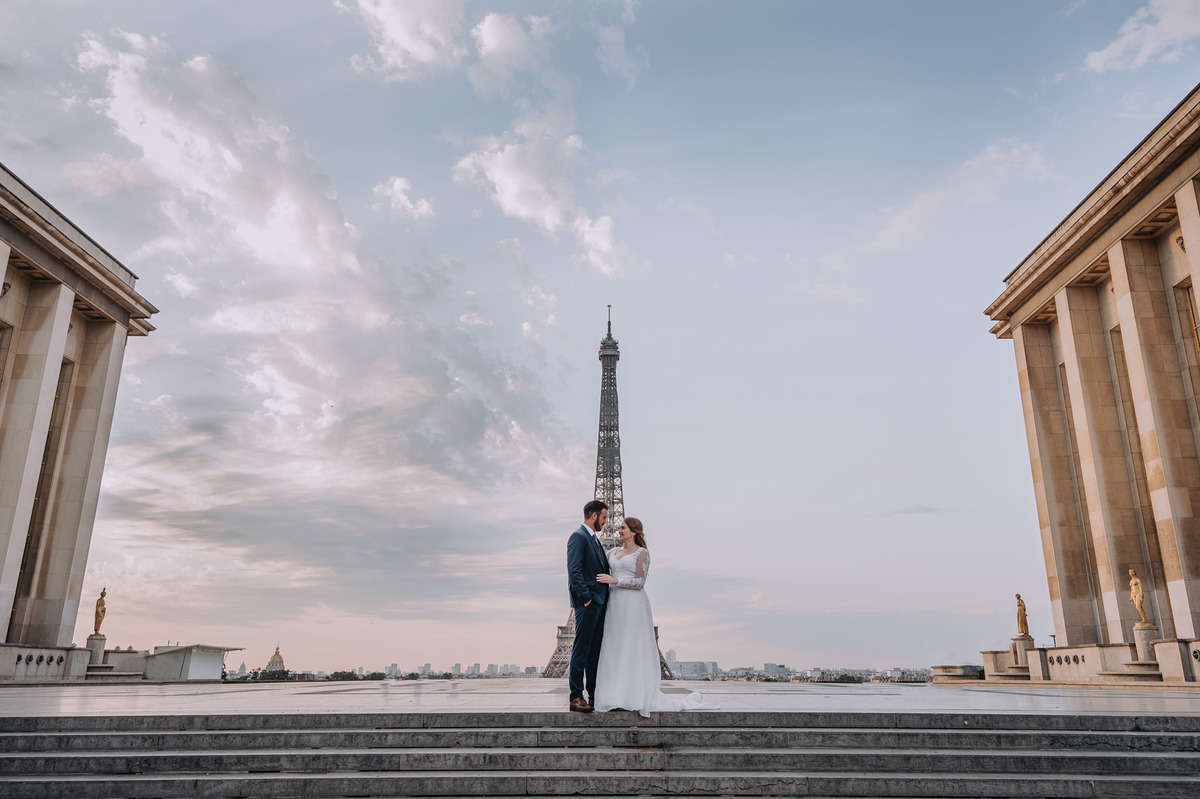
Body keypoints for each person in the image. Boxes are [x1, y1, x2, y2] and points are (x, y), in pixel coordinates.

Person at [593, 517, 717, 717]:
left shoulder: (642, 553)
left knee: (631, 648)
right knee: (615, 648)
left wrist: (615, 580)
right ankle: (616, 696)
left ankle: (633, 696)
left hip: (633, 605)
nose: (619, 530)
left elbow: (640, 582)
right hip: (614, 604)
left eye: (623, 528)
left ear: (634, 532)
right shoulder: (610, 552)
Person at [565, 500, 611, 712]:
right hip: (589, 603)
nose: (605, 521)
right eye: (604, 517)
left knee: (594, 652)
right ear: (594, 516)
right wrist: (586, 598)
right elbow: (574, 570)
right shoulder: (579, 536)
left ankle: (593, 695)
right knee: (582, 650)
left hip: (599, 603)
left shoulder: (593, 539)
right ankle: (576, 696)